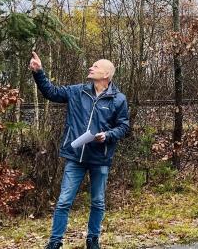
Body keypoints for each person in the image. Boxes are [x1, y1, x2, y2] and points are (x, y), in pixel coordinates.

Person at [30, 51, 130, 249]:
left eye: (96, 66)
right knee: (64, 202)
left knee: (98, 202)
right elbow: (51, 92)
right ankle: (55, 242)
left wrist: (107, 135)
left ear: (106, 75)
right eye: (91, 65)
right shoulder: (77, 91)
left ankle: (93, 240)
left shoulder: (118, 99)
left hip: (100, 158)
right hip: (75, 157)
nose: (91, 68)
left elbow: (124, 126)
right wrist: (38, 72)